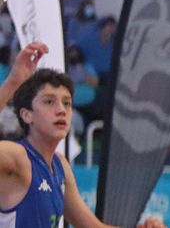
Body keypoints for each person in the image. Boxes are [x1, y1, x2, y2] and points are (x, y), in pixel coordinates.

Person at [0, 43, 160, 228]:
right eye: (49, 101)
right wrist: (12, 83)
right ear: (27, 115)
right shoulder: (17, 157)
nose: (61, 110)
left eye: (66, 103)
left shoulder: (60, 166)